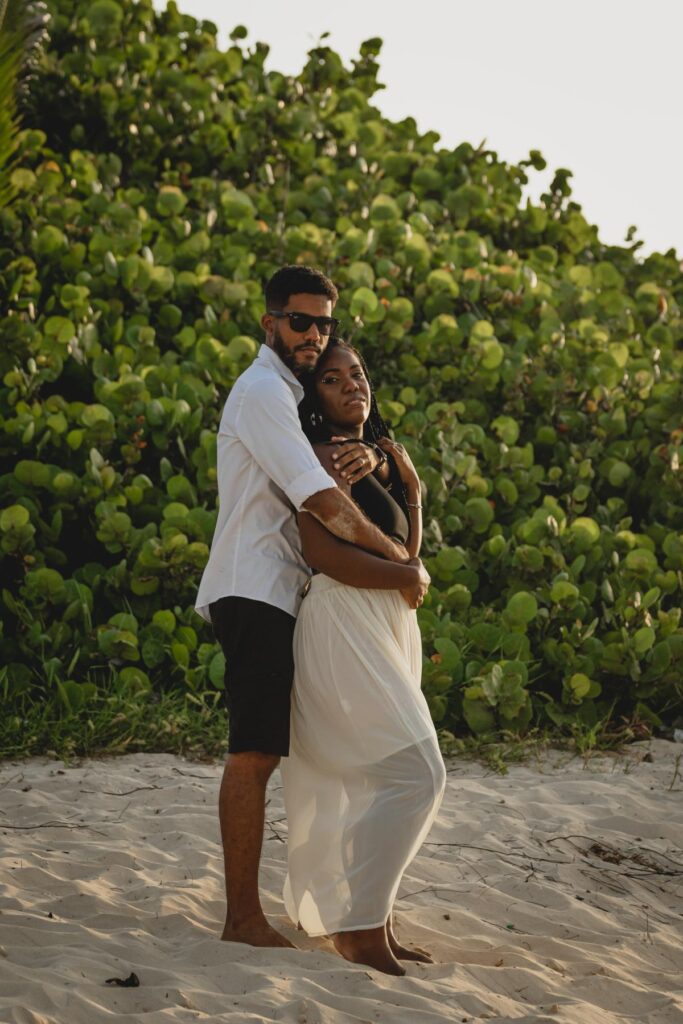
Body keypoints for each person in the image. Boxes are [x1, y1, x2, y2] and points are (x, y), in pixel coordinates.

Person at [194, 266, 430, 949]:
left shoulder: (290, 396)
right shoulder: (265, 390)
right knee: (255, 752)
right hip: (256, 584)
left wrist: (394, 479)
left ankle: (354, 917)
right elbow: (320, 503)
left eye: (323, 322)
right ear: (269, 322)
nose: (313, 334)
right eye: (300, 321)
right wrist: (400, 561)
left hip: (282, 590)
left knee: (287, 751)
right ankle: (242, 919)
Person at [280, 338, 447, 976]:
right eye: (332, 379)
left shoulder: (370, 460)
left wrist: (411, 487)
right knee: (417, 773)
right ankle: (357, 932)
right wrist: (410, 578)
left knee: (386, 778)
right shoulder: (319, 459)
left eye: (358, 374)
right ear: (313, 400)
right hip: (344, 618)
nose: (353, 384)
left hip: (380, 621)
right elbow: (325, 555)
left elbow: (405, 548)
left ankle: (373, 920)